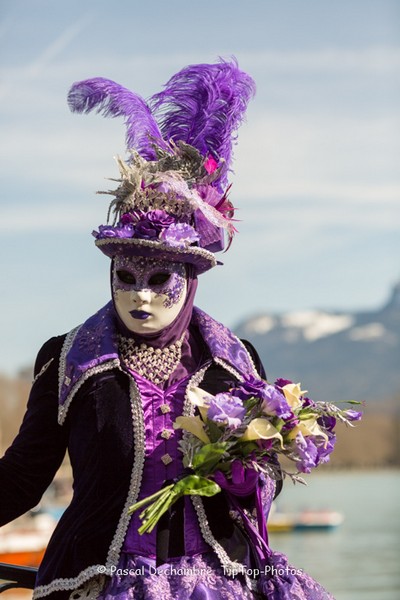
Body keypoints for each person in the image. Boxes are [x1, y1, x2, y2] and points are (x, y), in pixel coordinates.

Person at [0, 60, 335, 599]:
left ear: (192, 278)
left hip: (219, 581)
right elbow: (23, 473)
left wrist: (248, 475)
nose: (141, 296)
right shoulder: (69, 359)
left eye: (160, 279)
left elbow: (266, 479)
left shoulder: (234, 362)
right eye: (125, 278)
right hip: (102, 581)